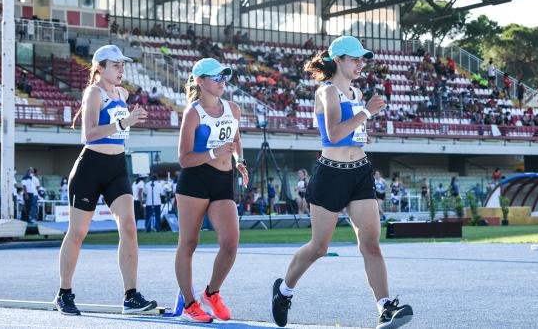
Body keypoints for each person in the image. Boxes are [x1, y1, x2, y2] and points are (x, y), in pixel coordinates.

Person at [271, 35, 413, 329]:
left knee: (371, 244)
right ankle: (284, 291)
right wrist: (366, 114)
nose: (361, 64)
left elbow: (349, 132)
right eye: (355, 59)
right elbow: (333, 135)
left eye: (363, 59)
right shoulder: (327, 92)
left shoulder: (357, 92)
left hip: (359, 171)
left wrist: (361, 132)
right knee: (319, 247)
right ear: (337, 60)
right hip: (331, 174)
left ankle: (385, 308)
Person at [55, 45, 157, 316]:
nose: (121, 69)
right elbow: (88, 133)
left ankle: (131, 296)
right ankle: (64, 292)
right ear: (99, 67)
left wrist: (129, 121)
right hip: (90, 167)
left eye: (123, 64)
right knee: (77, 233)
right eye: (115, 64)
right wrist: (125, 123)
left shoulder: (122, 93)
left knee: (129, 226)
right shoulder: (93, 93)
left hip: (116, 167)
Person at [174, 58, 249, 323]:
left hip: (223, 181)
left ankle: (212, 292)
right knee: (189, 243)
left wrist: (239, 162)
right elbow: (184, 158)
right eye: (216, 77)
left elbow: (236, 139)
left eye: (224, 77)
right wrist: (213, 152)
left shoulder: (233, 109)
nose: (222, 82)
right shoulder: (193, 113)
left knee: (230, 243)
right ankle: (189, 304)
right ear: (200, 81)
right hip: (194, 181)